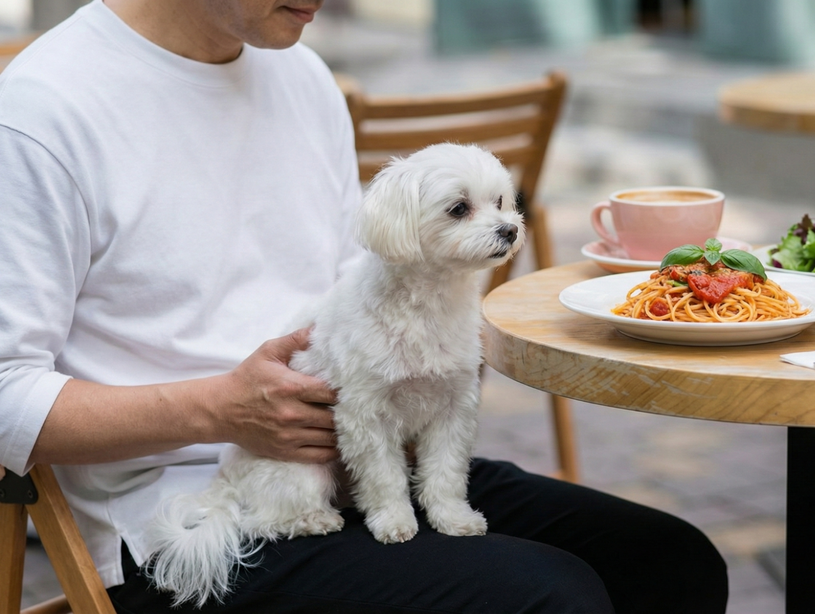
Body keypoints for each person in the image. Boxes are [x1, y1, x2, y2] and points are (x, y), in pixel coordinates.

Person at [0, 1, 729, 612]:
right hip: (186, 519)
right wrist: (218, 409)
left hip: (365, 455)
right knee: (550, 598)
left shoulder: (300, 70)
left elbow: (354, 274)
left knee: (671, 561)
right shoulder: (43, 110)